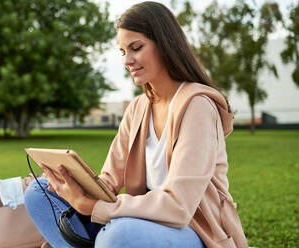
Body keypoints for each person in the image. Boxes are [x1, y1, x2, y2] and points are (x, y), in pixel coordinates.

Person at [24, 1, 248, 247]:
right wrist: (74, 186)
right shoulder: (138, 108)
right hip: (142, 219)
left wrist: (96, 208)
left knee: (118, 234)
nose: (127, 60)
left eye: (136, 48)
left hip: (194, 230)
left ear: (165, 44)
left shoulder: (198, 106)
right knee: (39, 192)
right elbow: (108, 180)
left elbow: (179, 207)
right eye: (122, 52)